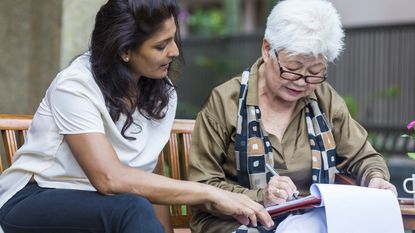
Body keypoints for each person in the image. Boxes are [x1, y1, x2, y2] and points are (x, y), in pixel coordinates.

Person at [0, 1, 274, 233]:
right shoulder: (75, 85)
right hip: (34, 198)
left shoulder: (161, 93)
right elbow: (109, 179)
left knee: (132, 206)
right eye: (161, 45)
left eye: (173, 39)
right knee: (131, 206)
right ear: (124, 50)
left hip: (106, 208)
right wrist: (211, 192)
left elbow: (146, 177)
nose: (175, 51)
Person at [187, 0, 397, 232]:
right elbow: (202, 184)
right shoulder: (226, 101)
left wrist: (375, 178)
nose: (302, 81)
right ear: (267, 49)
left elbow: (363, 156)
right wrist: (260, 197)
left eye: (315, 72)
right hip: (236, 223)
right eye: (293, 68)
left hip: (309, 220)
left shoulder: (324, 99)